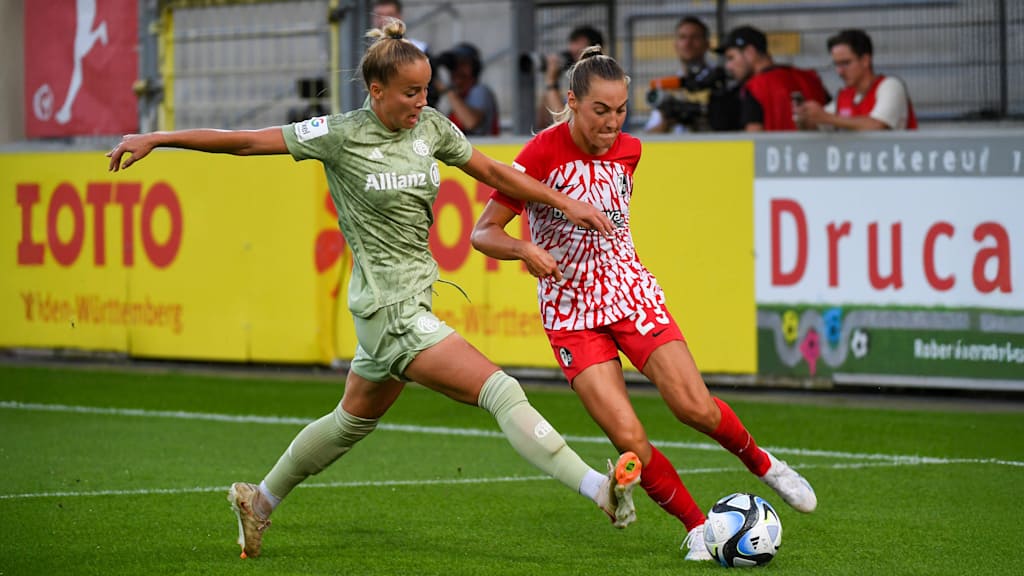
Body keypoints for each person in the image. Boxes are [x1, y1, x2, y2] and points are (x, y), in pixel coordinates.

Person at [106, 19, 644, 560]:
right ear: (377, 90)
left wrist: (562, 202)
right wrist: (158, 137)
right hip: (390, 313)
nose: (422, 101)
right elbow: (245, 142)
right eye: (410, 92)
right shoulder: (340, 134)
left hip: (408, 303)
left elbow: (495, 173)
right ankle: (598, 489)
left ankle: (258, 501)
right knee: (500, 391)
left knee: (350, 422)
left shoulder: (431, 128)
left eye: (426, 89)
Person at [471, 46, 817, 563]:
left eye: (620, 110)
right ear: (573, 102)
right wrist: (526, 250)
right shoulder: (541, 155)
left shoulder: (630, 150)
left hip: (630, 293)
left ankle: (766, 465)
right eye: (600, 110)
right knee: (629, 437)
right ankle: (698, 529)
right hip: (570, 313)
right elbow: (483, 233)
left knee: (694, 407)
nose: (612, 123)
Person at [795, 28, 917, 131]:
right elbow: (818, 126)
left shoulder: (891, 86)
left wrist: (826, 117)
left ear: (865, 60)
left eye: (845, 63)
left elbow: (877, 125)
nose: (839, 71)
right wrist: (804, 118)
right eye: (836, 64)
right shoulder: (844, 95)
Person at [718, 25, 829, 131]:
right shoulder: (811, 78)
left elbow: (754, 137)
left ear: (750, 52)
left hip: (775, 145)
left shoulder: (755, 87)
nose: (728, 66)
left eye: (731, 57)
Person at [644, 16, 740, 133]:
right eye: (682, 37)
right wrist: (669, 119)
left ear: (707, 44)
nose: (688, 43)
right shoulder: (669, 85)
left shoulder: (721, 79)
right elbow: (651, 133)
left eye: (695, 37)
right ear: (675, 44)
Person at [536, 25, 605, 129]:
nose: (576, 62)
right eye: (572, 54)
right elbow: (542, 122)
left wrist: (551, 82)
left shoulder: (601, 83)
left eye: (578, 53)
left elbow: (564, 124)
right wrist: (551, 78)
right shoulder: (574, 88)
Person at [433, 42, 500, 136]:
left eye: (463, 64)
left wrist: (447, 90)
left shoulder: (479, 91)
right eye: (454, 66)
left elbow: (470, 122)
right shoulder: (456, 96)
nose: (458, 69)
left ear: (475, 68)